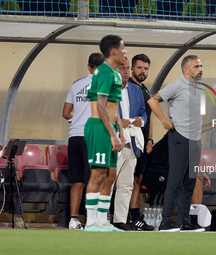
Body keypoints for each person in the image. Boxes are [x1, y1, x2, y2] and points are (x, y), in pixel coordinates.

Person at [148, 55, 215, 232]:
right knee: (175, 181)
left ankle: (184, 222)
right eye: (196, 67)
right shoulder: (177, 85)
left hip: (195, 140)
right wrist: (164, 121)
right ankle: (166, 222)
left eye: (200, 66)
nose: (200, 69)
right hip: (179, 137)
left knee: (190, 183)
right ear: (185, 70)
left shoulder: (200, 88)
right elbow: (152, 100)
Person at [84, 35, 126, 232]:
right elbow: (101, 106)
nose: (125, 53)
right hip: (100, 127)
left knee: (110, 175)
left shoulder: (115, 73)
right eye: (123, 49)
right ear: (114, 51)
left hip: (111, 128)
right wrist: (111, 133)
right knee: (98, 173)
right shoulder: (104, 73)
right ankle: (90, 222)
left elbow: (113, 106)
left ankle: (103, 221)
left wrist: (121, 131)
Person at [62, 52, 105, 230]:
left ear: (89, 66)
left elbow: (65, 113)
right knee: (94, 180)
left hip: (74, 137)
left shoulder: (76, 85)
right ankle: (92, 220)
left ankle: (73, 220)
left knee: (77, 181)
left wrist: (77, 119)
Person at [110, 58, 148, 230]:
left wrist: (141, 120)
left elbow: (143, 112)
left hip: (132, 142)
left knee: (126, 184)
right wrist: (119, 122)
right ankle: (101, 220)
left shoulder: (136, 89)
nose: (125, 72)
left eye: (126, 68)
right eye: (122, 68)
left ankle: (120, 220)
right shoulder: (107, 89)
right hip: (114, 142)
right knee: (109, 182)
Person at [128, 54, 155, 231]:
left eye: (145, 68)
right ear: (132, 68)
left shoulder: (145, 90)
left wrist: (150, 140)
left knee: (137, 179)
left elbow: (150, 117)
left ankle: (135, 217)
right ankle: (126, 216)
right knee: (126, 181)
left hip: (142, 142)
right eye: (139, 68)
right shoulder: (127, 87)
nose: (142, 71)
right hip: (128, 141)